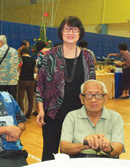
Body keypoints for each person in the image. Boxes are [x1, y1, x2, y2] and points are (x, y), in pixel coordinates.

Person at [36, 16, 96, 161]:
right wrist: (41, 109)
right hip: (53, 113)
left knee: (75, 155)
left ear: (80, 33)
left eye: (75, 29)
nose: (71, 32)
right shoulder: (49, 55)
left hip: (79, 115)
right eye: (67, 29)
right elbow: (40, 85)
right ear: (61, 32)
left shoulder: (87, 56)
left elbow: (93, 85)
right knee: (49, 154)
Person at [60, 80, 124, 158]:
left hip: (107, 160)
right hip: (79, 160)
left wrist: (109, 148)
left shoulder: (115, 117)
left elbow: (119, 147)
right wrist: (84, 145)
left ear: (105, 98)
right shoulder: (71, 117)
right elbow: (64, 147)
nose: (93, 100)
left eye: (98, 95)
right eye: (88, 95)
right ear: (81, 98)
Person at [0, 35, 19, 101]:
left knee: (1, 100)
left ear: (1, 42)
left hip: (1, 81)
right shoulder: (15, 51)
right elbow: (17, 64)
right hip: (13, 80)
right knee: (12, 100)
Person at [18, 47, 37, 119]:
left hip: (23, 80)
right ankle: (29, 114)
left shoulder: (21, 59)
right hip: (31, 80)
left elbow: (18, 68)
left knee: (21, 98)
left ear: (22, 53)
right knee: (30, 98)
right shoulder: (33, 60)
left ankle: (21, 114)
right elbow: (35, 70)